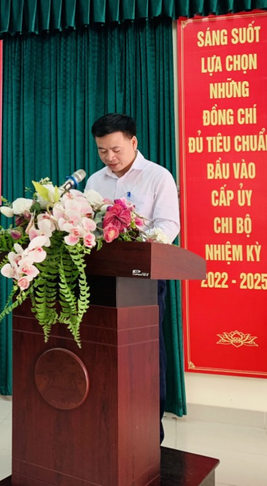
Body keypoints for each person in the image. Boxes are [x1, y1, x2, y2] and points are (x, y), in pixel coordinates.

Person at [85, 113, 179, 444]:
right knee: (102, 350)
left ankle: (149, 433)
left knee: (146, 356)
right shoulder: (95, 182)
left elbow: (169, 225)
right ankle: (105, 425)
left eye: (115, 149)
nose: (109, 158)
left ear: (133, 142)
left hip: (144, 279)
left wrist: (138, 240)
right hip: (102, 278)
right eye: (101, 151)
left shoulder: (158, 177)